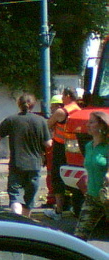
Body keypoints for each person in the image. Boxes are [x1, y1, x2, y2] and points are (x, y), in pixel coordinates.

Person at [0, 93, 52, 217]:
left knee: (15, 194)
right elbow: (48, 144)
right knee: (30, 196)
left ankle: (17, 216)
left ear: (19, 105)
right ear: (33, 105)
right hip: (35, 164)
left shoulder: (11, 120)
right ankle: (26, 220)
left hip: (17, 163)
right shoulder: (41, 121)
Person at [73, 111, 109, 241]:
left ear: (102, 126)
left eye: (91, 122)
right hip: (92, 197)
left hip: (107, 197)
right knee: (79, 237)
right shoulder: (89, 146)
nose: (87, 125)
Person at [46, 87, 81, 215]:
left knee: (57, 177)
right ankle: (73, 205)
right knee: (73, 178)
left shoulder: (61, 112)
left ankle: (59, 210)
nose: (61, 98)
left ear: (67, 95)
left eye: (62, 96)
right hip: (75, 148)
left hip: (60, 147)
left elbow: (47, 125)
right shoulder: (79, 109)